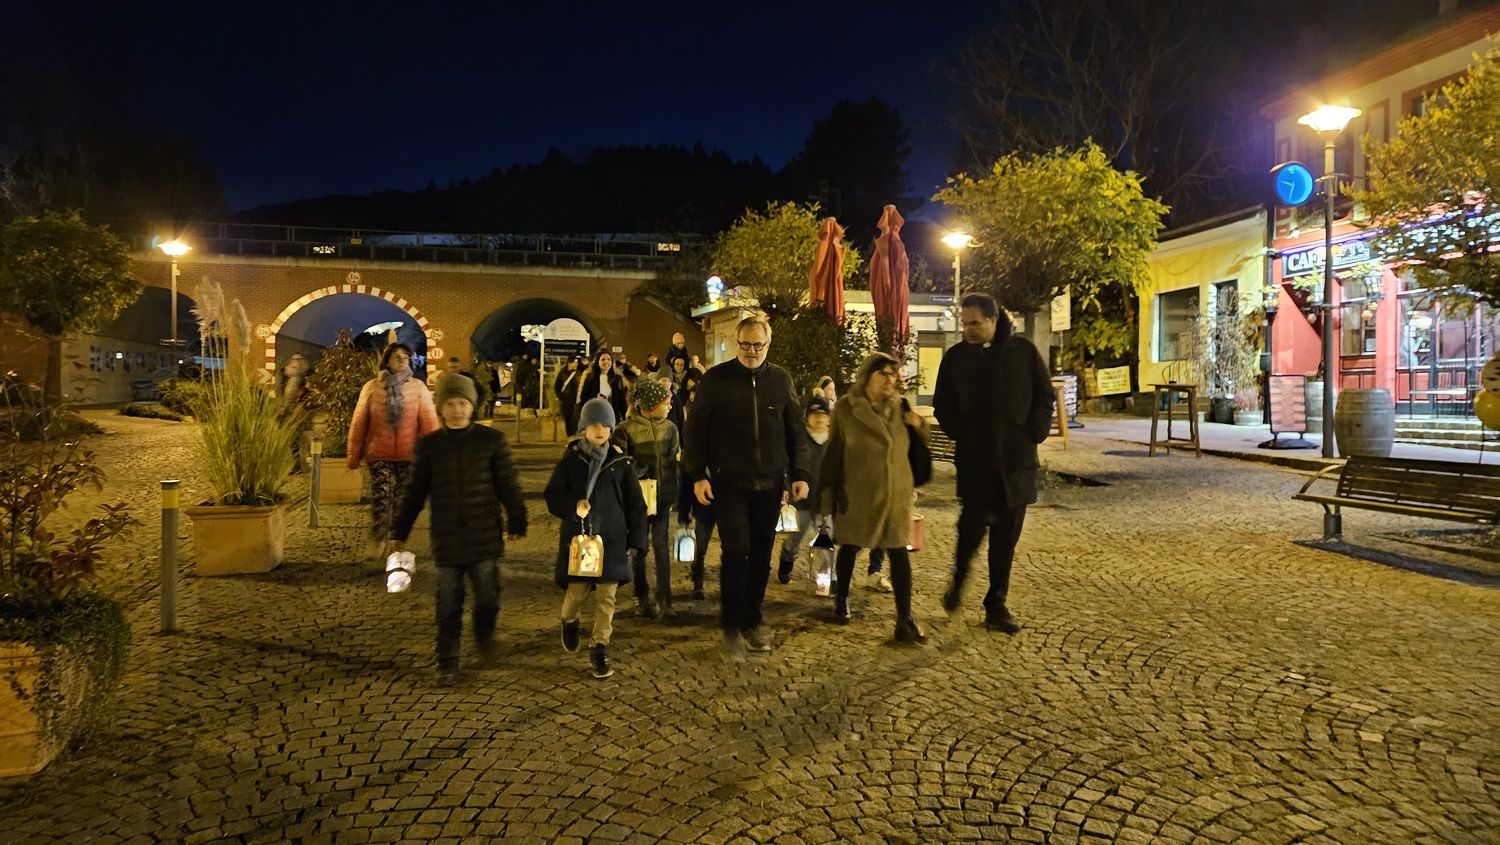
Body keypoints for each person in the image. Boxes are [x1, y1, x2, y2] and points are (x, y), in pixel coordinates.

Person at [682, 314, 811, 660]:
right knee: (735, 552)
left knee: (761, 556)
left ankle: (752, 620)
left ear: (768, 345)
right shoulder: (715, 380)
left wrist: (800, 473)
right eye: (745, 344)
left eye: (759, 345)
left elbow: (795, 430)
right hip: (730, 482)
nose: (752, 351)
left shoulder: (780, 380)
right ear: (736, 343)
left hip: (770, 483)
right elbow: (694, 431)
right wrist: (697, 475)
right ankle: (731, 627)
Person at [386, 372, 528, 686]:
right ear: (441, 407)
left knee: (488, 598)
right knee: (448, 603)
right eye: (450, 404)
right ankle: (447, 661)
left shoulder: (491, 441)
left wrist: (517, 519)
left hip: (484, 536)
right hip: (447, 538)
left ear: (472, 406)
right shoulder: (430, 446)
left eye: (462, 403)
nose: (456, 410)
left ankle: (485, 638)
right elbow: (414, 492)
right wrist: (399, 532)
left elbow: (509, 485)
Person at [933, 292, 1056, 635]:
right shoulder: (956, 358)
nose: (968, 329)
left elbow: (1045, 395)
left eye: (975, 323)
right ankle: (958, 581)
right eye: (965, 324)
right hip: (975, 464)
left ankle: (996, 605)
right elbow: (942, 402)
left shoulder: (1024, 353)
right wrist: (961, 433)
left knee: (1005, 540)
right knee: (969, 534)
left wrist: (1036, 431)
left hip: (1016, 465)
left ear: (993, 320)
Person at [819, 352, 929, 642]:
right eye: (884, 373)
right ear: (868, 375)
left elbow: (915, 445)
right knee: (851, 547)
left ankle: (904, 619)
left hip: (895, 494)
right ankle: (841, 600)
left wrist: (918, 425)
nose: (890, 380)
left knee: (898, 555)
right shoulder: (845, 408)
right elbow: (834, 453)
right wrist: (828, 498)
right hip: (858, 492)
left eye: (894, 374)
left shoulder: (900, 407)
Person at [544, 398, 649, 680]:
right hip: (581, 542)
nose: (600, 429)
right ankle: (569, 621)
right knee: (576, 594)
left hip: (613, 540)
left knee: (607, 599)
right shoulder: (571, 459)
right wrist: (573, 508)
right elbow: (552, 495)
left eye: (605, 424)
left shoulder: (621, 463)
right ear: (583, 428)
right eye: (593, 424)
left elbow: (636, 505)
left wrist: (637, 541)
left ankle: (600, 648)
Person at [347, 343, 440, 551]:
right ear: (387, 360)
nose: (402, 361)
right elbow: (359, 421)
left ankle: (396, 540)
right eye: (397, 357)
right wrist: (354, 455)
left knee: (402, 500)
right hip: (379, 452)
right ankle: (380, 538)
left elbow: (429, 423)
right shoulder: (372, 387)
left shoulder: (417, 387)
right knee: (382, 496)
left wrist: (435, 457)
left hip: (409, 454)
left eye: (406, 358)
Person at [610, 377, 679, 618]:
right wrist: (639, 470)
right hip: (637, 501)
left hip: (661, 499)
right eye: (666, 402)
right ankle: (642, 597)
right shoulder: (625, 429)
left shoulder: (670, 429)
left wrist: (674, 494)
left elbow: (672, 463)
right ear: (650, 404)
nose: (670, 407)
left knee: (661, 546)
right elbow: (620, 463)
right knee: (639, 548)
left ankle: (664, 598)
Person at [777, 396, 831, 584]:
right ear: (807, 416)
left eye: (823, 414)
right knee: (794, 539)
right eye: (814, 414)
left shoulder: (833, 443)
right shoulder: (799, 441)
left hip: (824, 502)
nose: (819, 418)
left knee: (826, 543)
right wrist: (786, 487)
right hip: (801, 501)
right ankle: (787, 559)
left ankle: (826, 578)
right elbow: (787, 466)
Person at [577, 350, 629, 428]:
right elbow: (584, 398)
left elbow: (621, 401)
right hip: (595, 415)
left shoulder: (617, 379)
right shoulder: (591, 378)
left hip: (612, 416)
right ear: (597, 362)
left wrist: (625, 418)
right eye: (603, 359)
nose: (606, 362)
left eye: (609, 359)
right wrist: (595, 398)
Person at [555, 357, 586, 436]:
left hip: (576, 400)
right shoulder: (562, 373)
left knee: (575, 419)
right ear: (569, 363)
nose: (576, 364)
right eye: (574, 362)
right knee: (567, 419)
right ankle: (569, 436)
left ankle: (574, 436)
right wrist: (560, 396)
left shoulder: (579, 372)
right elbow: (557, 385)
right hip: (566, 399)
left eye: (577, 362)